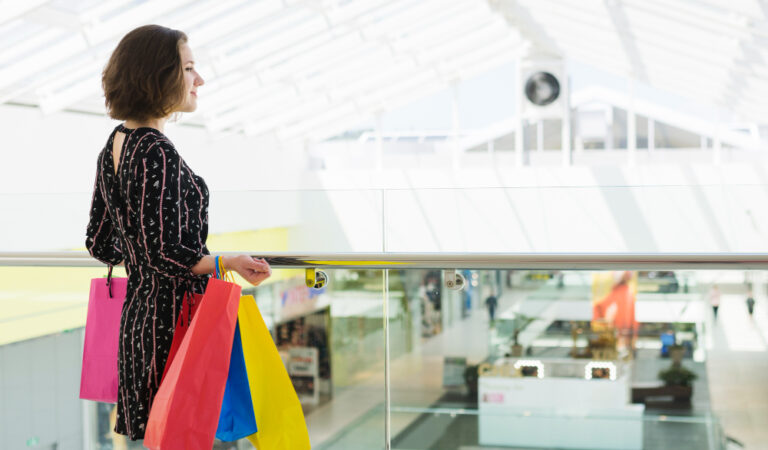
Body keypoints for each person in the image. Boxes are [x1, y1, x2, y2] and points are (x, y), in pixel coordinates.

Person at [85, 25, 271, 441]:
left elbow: (100, 242)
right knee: (190, 429)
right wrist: (228, 261)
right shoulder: (155, 150)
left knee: (162, 433)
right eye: (189, 68)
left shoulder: (115, 144)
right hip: (176, 325)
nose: (199, 79)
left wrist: (138, 249)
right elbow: (169, 254)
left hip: (140, 321)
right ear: (158, 75)